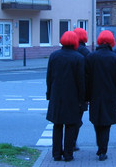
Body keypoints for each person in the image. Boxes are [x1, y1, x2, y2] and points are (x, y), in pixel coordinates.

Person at [46, 31, 85, 162]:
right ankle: (68, 154)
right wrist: (82, 99)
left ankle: (56, 154)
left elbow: (49, 78)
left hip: (56, 96)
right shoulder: (78, 58)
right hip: (72, 97)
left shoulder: (54, 56)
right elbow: (81, 81)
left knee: (57, 125)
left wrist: (49, 94)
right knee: (70, 126)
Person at [85, 30, 116, 161]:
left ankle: (99, 146)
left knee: (97, 122)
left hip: (95, 95)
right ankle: (103, 150)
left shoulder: (91, 57)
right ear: (112, 42)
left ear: (99, 41)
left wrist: (87, 97)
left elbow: (87, 79)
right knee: (106, 124)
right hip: (110, 96)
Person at [71, 27, 90, 151]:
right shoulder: (86, 53)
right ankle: (73, 142)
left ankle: (69, 142)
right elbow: (89, 74)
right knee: (78, 119)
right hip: (81, 91)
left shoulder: (69, 50)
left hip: (68, 90)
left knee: (69, 118)